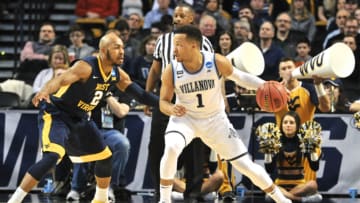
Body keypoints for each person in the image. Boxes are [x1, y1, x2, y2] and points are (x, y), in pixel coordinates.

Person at [7, 32, 158, 203]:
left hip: (80, 119)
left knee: (104, 157)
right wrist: (44, 91)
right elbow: (61, 80)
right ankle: (15, 200)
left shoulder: (118, 74)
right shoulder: (86, 67)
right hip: (58, 114)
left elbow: (141, 95)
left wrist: (166, 105)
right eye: (116, 47)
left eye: (123, 47)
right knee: (52, 157)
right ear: (103, 50)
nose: (122, 51)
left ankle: (100, 199)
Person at [158, 24, 292, 203]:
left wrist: (266, 86)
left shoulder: (216, 61)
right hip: (185, 120)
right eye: (174, 45)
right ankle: (164, 200)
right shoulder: (171, 70)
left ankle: (283, 200)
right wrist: (171, 108)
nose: (174, 50)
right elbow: (163, 102)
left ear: (194, 46)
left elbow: (240, 77)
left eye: (178, 45)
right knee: (172, 147)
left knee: (245, 165)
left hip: (215, 120)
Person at [144, 3, 213, 202]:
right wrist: (148, 96)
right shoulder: (162, 41)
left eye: (182, 15)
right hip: (166, 97)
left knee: (195, 146)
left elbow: (213, 73)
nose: (177, 19)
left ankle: (192, 193)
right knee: (156, 145)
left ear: (191, 19)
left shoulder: (204, 43)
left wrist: (218, 98)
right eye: (175, 15)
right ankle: (160, 190)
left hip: (193, 97)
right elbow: (155, 70)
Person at [66, 90, 131, 202]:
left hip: (111, 132)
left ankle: (109, 188)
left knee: (123, 144)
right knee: (82, 142)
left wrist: (107, 95)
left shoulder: (122, 91)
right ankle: (76, 189)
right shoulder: (90, 86)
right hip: (90, 129)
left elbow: (121, 112)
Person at [274, 57, 330, 183]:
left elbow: (325, 108)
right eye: (284, 68)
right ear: (279, 73)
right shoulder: (275, 90)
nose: (287, 71)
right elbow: (262, 106)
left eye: (290, 67)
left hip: (306, 138)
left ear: (296, 70)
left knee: (312, 145)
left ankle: (305, 192)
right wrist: (278, 90)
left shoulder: (308, 88)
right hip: (283, 138)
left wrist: (319, 86)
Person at [264, 111, 322, 202]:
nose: (288, 125)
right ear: (281, 125)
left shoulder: (304, 142)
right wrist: (267, 152)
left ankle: (283, 199)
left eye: (291, 123)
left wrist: (313, 149)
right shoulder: (276, 142)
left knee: (313, 184)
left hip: (300, 186)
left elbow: (315, 167)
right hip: (280, 186)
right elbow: (269, 169)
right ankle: (299, 200)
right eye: (285, 122)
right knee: (266, 185)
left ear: (297, 126)